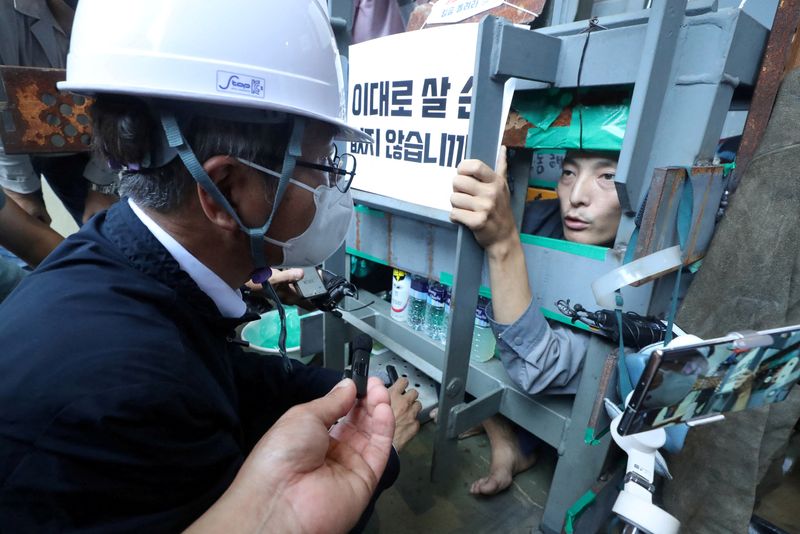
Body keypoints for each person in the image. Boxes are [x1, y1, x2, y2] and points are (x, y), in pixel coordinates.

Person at [0, 1, 419, 531]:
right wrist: (376, 457)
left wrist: (337, 392)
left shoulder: (118, 255)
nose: (335, 187)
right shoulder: (138, 390)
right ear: (225, 192)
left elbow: (221, 369)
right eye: (324, 165)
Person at [449, 147, 622, 495]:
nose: (576, 197)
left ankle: (513, 444)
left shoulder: (650, 267)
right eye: (569, 172)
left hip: (565, 389)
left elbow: (540, 366)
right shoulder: (542, 218)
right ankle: (500, 433)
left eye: (608, 177)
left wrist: (503, 243)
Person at [0, 0, 118, 225]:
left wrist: (101, 185)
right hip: (8, 143)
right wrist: (22, 193)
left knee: (109, 226)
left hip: (92, 137)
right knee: (26, 232)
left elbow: (125, 104)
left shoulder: (125, 12)